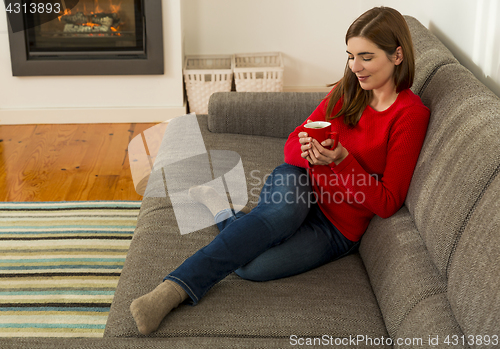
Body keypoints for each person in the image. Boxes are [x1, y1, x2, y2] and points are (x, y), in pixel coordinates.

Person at [130, 6, 430, 335]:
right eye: (350, 55)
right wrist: (311, 155)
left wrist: (340, 161)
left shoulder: (409, 115)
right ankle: (172, 289)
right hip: (299, 184)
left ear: (397, 55)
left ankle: (221, 208)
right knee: (284, 213)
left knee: (252, 267)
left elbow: (387, 201)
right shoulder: (347, 93)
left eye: (366, 57)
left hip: (337, 227)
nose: (354, 67)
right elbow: (290, 146)